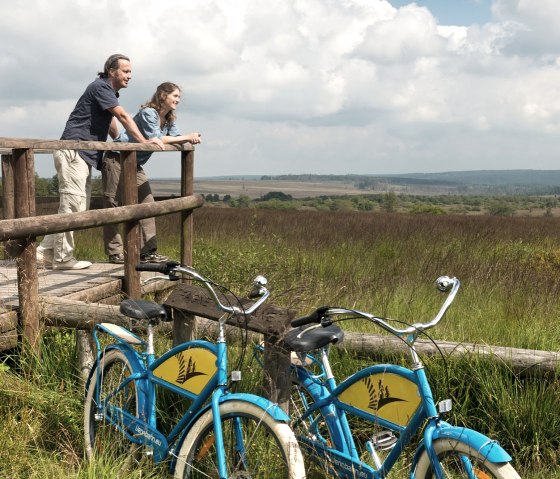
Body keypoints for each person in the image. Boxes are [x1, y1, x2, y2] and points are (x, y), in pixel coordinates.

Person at [37, 54, 164, 270]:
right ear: (111, 71)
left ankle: (44, 253)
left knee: (78, 206)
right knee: (72, 205)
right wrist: (144, 142)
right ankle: (62, 259)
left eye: (130, 72)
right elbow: (122, 116)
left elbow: (111, 122)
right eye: (125, 71)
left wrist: (117, 141)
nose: (129, 76)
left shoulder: (107, 92)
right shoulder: (100, 86)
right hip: (73, 150)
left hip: (81, 153)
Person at [102, 81, 201, 264]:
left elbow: (175, 138)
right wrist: (187, 136)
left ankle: (147, 251)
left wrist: (189, 139)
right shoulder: (149, 113)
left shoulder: (169, 118)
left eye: (179, 97)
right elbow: (156, 137)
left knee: (148, 204)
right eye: (175, 96)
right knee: (112, 204)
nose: (178, 100)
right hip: (117, 157)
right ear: (163, 95)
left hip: (135, 164)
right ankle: (115, 252)